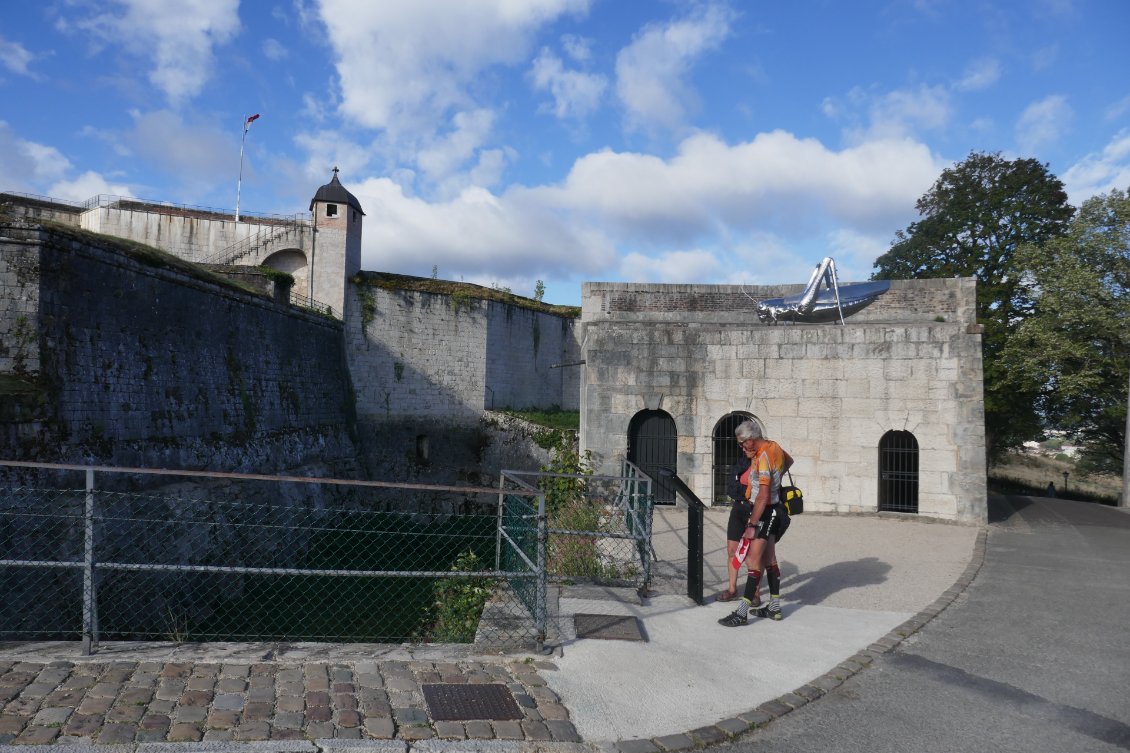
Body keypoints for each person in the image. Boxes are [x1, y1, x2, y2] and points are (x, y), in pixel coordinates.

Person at [719, 420, 793, 625]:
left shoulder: (762, 458)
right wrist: (776, 478)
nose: (742, 448)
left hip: (766, 511)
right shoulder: (774, 447)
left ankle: (741, 613)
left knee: (753, 558)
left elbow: (762, 496)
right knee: (769, 559)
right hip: (775, 510)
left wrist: (751, 526)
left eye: (742, 444)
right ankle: (775, 608)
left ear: (751, 440)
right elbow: (789, 461)